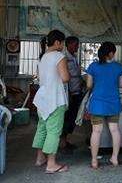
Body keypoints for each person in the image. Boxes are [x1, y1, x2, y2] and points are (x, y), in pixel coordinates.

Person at [32, 30, 70, 174]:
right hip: (54, 99)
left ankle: (40, 158)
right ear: (57, 42)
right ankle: (51, 164)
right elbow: (65, 77)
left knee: (42, 128)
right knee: (54, 131)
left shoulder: (42, 57)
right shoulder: (59, 56)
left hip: (42, 99)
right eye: (63, 43)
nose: (63, 46)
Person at [86, 42, 122, 169]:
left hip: (97, 104)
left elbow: (89, 85)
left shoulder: (93, 66)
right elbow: (121, 85)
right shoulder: (118, 67)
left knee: (96, 131)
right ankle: (115, 158)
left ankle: (94, 161)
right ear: (111, 53)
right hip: (113, 103)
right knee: (115, 130)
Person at [60, 36, 83, 152]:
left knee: (72, 118)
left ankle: (65, 141)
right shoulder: (63, 57)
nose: (77, 47)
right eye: (75, 45)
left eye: (77, 45)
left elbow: (77, 74)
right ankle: (62, 143)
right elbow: (64, 77)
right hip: (69, 94)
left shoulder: (73, 57)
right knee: (67, 118)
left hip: (76, 92)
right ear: (68, 44)